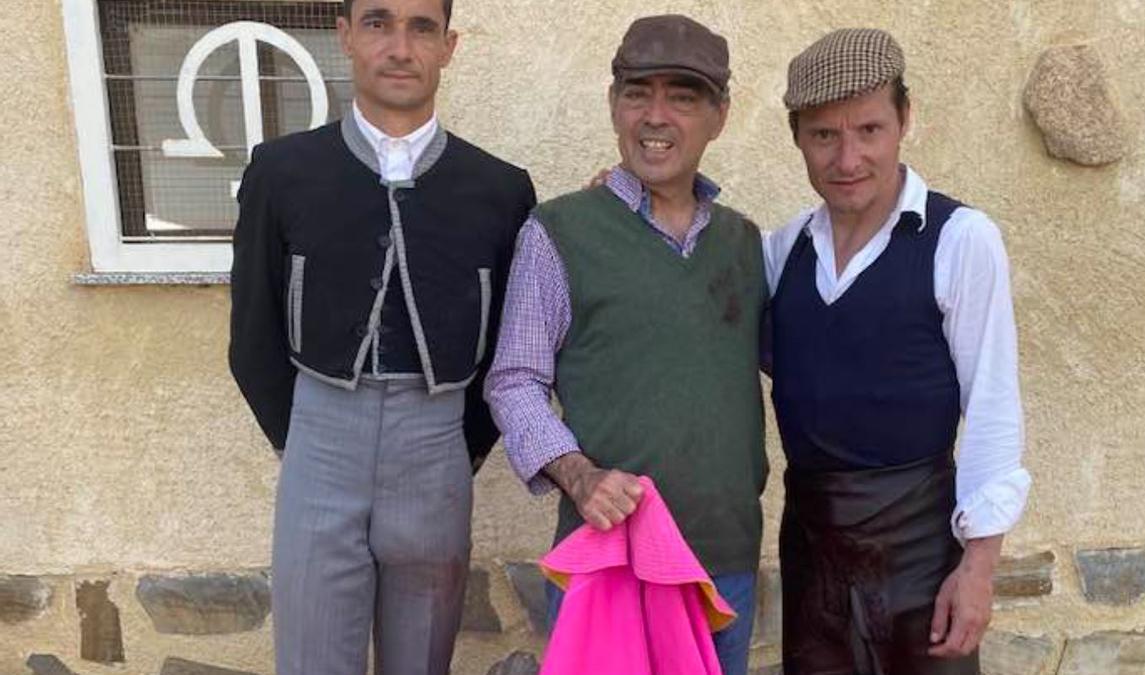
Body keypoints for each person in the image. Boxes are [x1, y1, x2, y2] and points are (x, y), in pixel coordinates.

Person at [228, 0, 536, 672]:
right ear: (345, 37)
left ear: (449, 46)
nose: (400, 46)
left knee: (423, 656)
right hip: (319, 439)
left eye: (421, 27)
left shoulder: (500, 188)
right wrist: (305, 436)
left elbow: (510, 347)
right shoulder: (282, 172)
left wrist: (458, 447)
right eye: (378, 22)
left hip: (437, 447)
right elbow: (252, 333)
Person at [484, 14, 767, 675]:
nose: (655, 116)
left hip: (725, 564)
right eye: (638, 91)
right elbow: (513, 381)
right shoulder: (559, 231)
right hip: (609, 561)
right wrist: (580, 476)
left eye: (683, 96)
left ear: (719, 115)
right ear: (614, 103)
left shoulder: (745, 243)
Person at [763, 28, 1031, 675]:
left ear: (905, 120)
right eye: (825, 135)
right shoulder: (781, 251)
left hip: (922, 553)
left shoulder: (960, 239)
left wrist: (979, 568)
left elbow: (993, 407)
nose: (848, 157)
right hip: (812, 550)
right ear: (797, 136)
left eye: (869, 130)